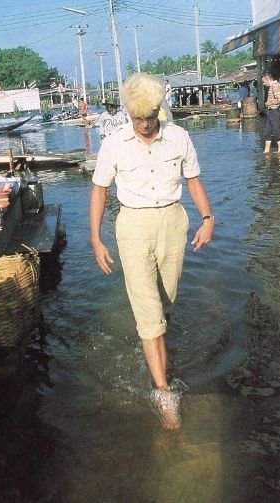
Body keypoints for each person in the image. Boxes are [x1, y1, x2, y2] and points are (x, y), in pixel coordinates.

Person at [89, 73, 215, 430]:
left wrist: (207, 218)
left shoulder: (179, 137)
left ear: (160, 109)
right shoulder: (114, 143)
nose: (145, 124)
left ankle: (156, 335)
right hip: (132, 226)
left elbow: (193, 181)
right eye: (138, 118)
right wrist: (96, 240)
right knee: (148, 315)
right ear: (129, 114)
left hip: (173, 223)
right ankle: (164, 392)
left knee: (166, 301)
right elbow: (100, 191)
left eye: (151, 116)